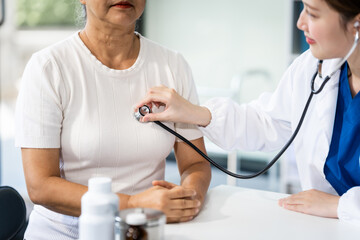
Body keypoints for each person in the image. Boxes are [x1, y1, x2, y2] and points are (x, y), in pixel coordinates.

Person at [136, 0, 360, 225]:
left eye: (312, 13)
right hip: (327, 226)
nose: (300, 22)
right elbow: (268, 122)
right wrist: (195, 113)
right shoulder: (312, 69)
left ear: (356, 24)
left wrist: (340, 206)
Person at [15, 0, 211, 239]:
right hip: (66, 232)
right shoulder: (48, 67)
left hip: (144, 230)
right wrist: (132, 205)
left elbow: (195, 164)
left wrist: (189, 198)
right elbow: (40, 186)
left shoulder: (173, 65)